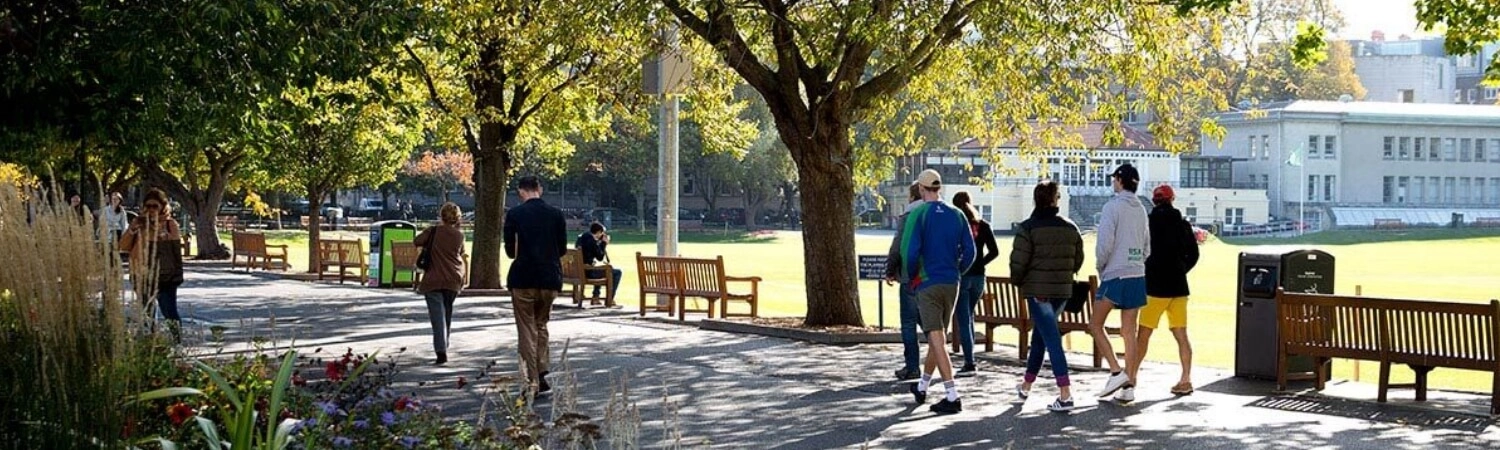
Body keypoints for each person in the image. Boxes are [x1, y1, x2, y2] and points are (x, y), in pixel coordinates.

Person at [902, 169, 976, 415]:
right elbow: (970, 251)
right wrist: (958, 270)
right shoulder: (957, 215)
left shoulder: (919, 214)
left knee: (936, 338)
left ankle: (952, 394)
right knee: (939, 336)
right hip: (951, 281)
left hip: (927, 281)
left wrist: (911, 276)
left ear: (922, 189)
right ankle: (922, 386)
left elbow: (909, 252)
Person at [1010, 180, 1086, 412]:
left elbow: (1018, 263)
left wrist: (1019, 281)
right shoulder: (1071, 227)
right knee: (1041, 338)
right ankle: (1026, 384)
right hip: (1061, 291)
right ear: (1055, 200)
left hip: (1038, 291)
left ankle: (1065, 393)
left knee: (1051, 339)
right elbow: (1078, 260)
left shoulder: (1027, 228)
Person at [1091, 163, 1151, 403]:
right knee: (1129, 331)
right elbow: (1147, 246)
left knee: (1095, 324)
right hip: (1137, 272)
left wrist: (1101, 266)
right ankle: (1130, 384)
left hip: (1115, 272)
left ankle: (1116, 371)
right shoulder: (1141, 209)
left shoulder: (1112, 207)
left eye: (1114, 178)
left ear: (1120, 180)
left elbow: (1105, 242)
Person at [504, 175, 568, 395]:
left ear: (521, 191)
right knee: (541, 325)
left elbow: (510, 250)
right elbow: (561, 249)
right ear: (539, 189)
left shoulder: (515, 214)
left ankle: (531, 378)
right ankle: (541, 372)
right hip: (549, 278)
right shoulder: (556, 214)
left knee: (526, 329)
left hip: (524, 277)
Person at [1136, 184, 1200, 396]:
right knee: (1181, 334)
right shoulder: (1182, 224)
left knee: (1143, 335)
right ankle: (1186, 379)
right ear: (1172, 200)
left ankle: (1131, 378)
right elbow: (1194, 254)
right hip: (1179, 286)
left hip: (1154, 287)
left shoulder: (1147, 223)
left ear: (1154, 201)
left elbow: (1141, 252)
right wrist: (1181, 269)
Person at [120, 188, 185, 341]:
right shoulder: (139, 223)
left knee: (169, 311)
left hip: (164, 276)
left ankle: (178, 343)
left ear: (163, 206)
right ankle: (151, 342)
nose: (151, 210)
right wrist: (132, 229)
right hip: (140, 274)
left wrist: (161, 233)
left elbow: (175, 250)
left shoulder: (170, 224)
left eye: (155, 206)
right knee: (147, 312)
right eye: (148, 206)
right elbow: (123, 246)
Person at [950, 191, 999, 377]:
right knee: (969, 315)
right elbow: (994, 251)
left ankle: (969, 362)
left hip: (962, 276)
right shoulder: (983, 225)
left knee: (964, 319)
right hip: (979, 277)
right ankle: (970, 358)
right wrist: (980, 263)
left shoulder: (955, 226)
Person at [415, 202, 468, 365]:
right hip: (453, 277)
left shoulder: (432, 231)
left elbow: (417, 241)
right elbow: (461, 253)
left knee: (437, 316)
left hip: (434, 278)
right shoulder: (459, 235)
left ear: (441, 216)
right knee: (447, 313)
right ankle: (445, 344)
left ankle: (441, 351)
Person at [884, 183, 925, 380]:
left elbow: (897, 245)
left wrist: (890, 270)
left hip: (911, 275)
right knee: (930, 323)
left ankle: (912, 366)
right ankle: (939, 360)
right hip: (934, 275)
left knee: (909, 323)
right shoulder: (939, 214)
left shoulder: (908, 216)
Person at [575, 222, 622, 307]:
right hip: (588, 272)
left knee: (600, 269)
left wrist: (599, 243)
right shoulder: (592, 240)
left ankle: (596, 297)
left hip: (579, 271)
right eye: (602, 233)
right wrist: (604, 243)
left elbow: (593, 251)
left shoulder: (582, 237)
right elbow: (600, 257)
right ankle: (609, 299)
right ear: (599, 232)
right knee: (617, 272)